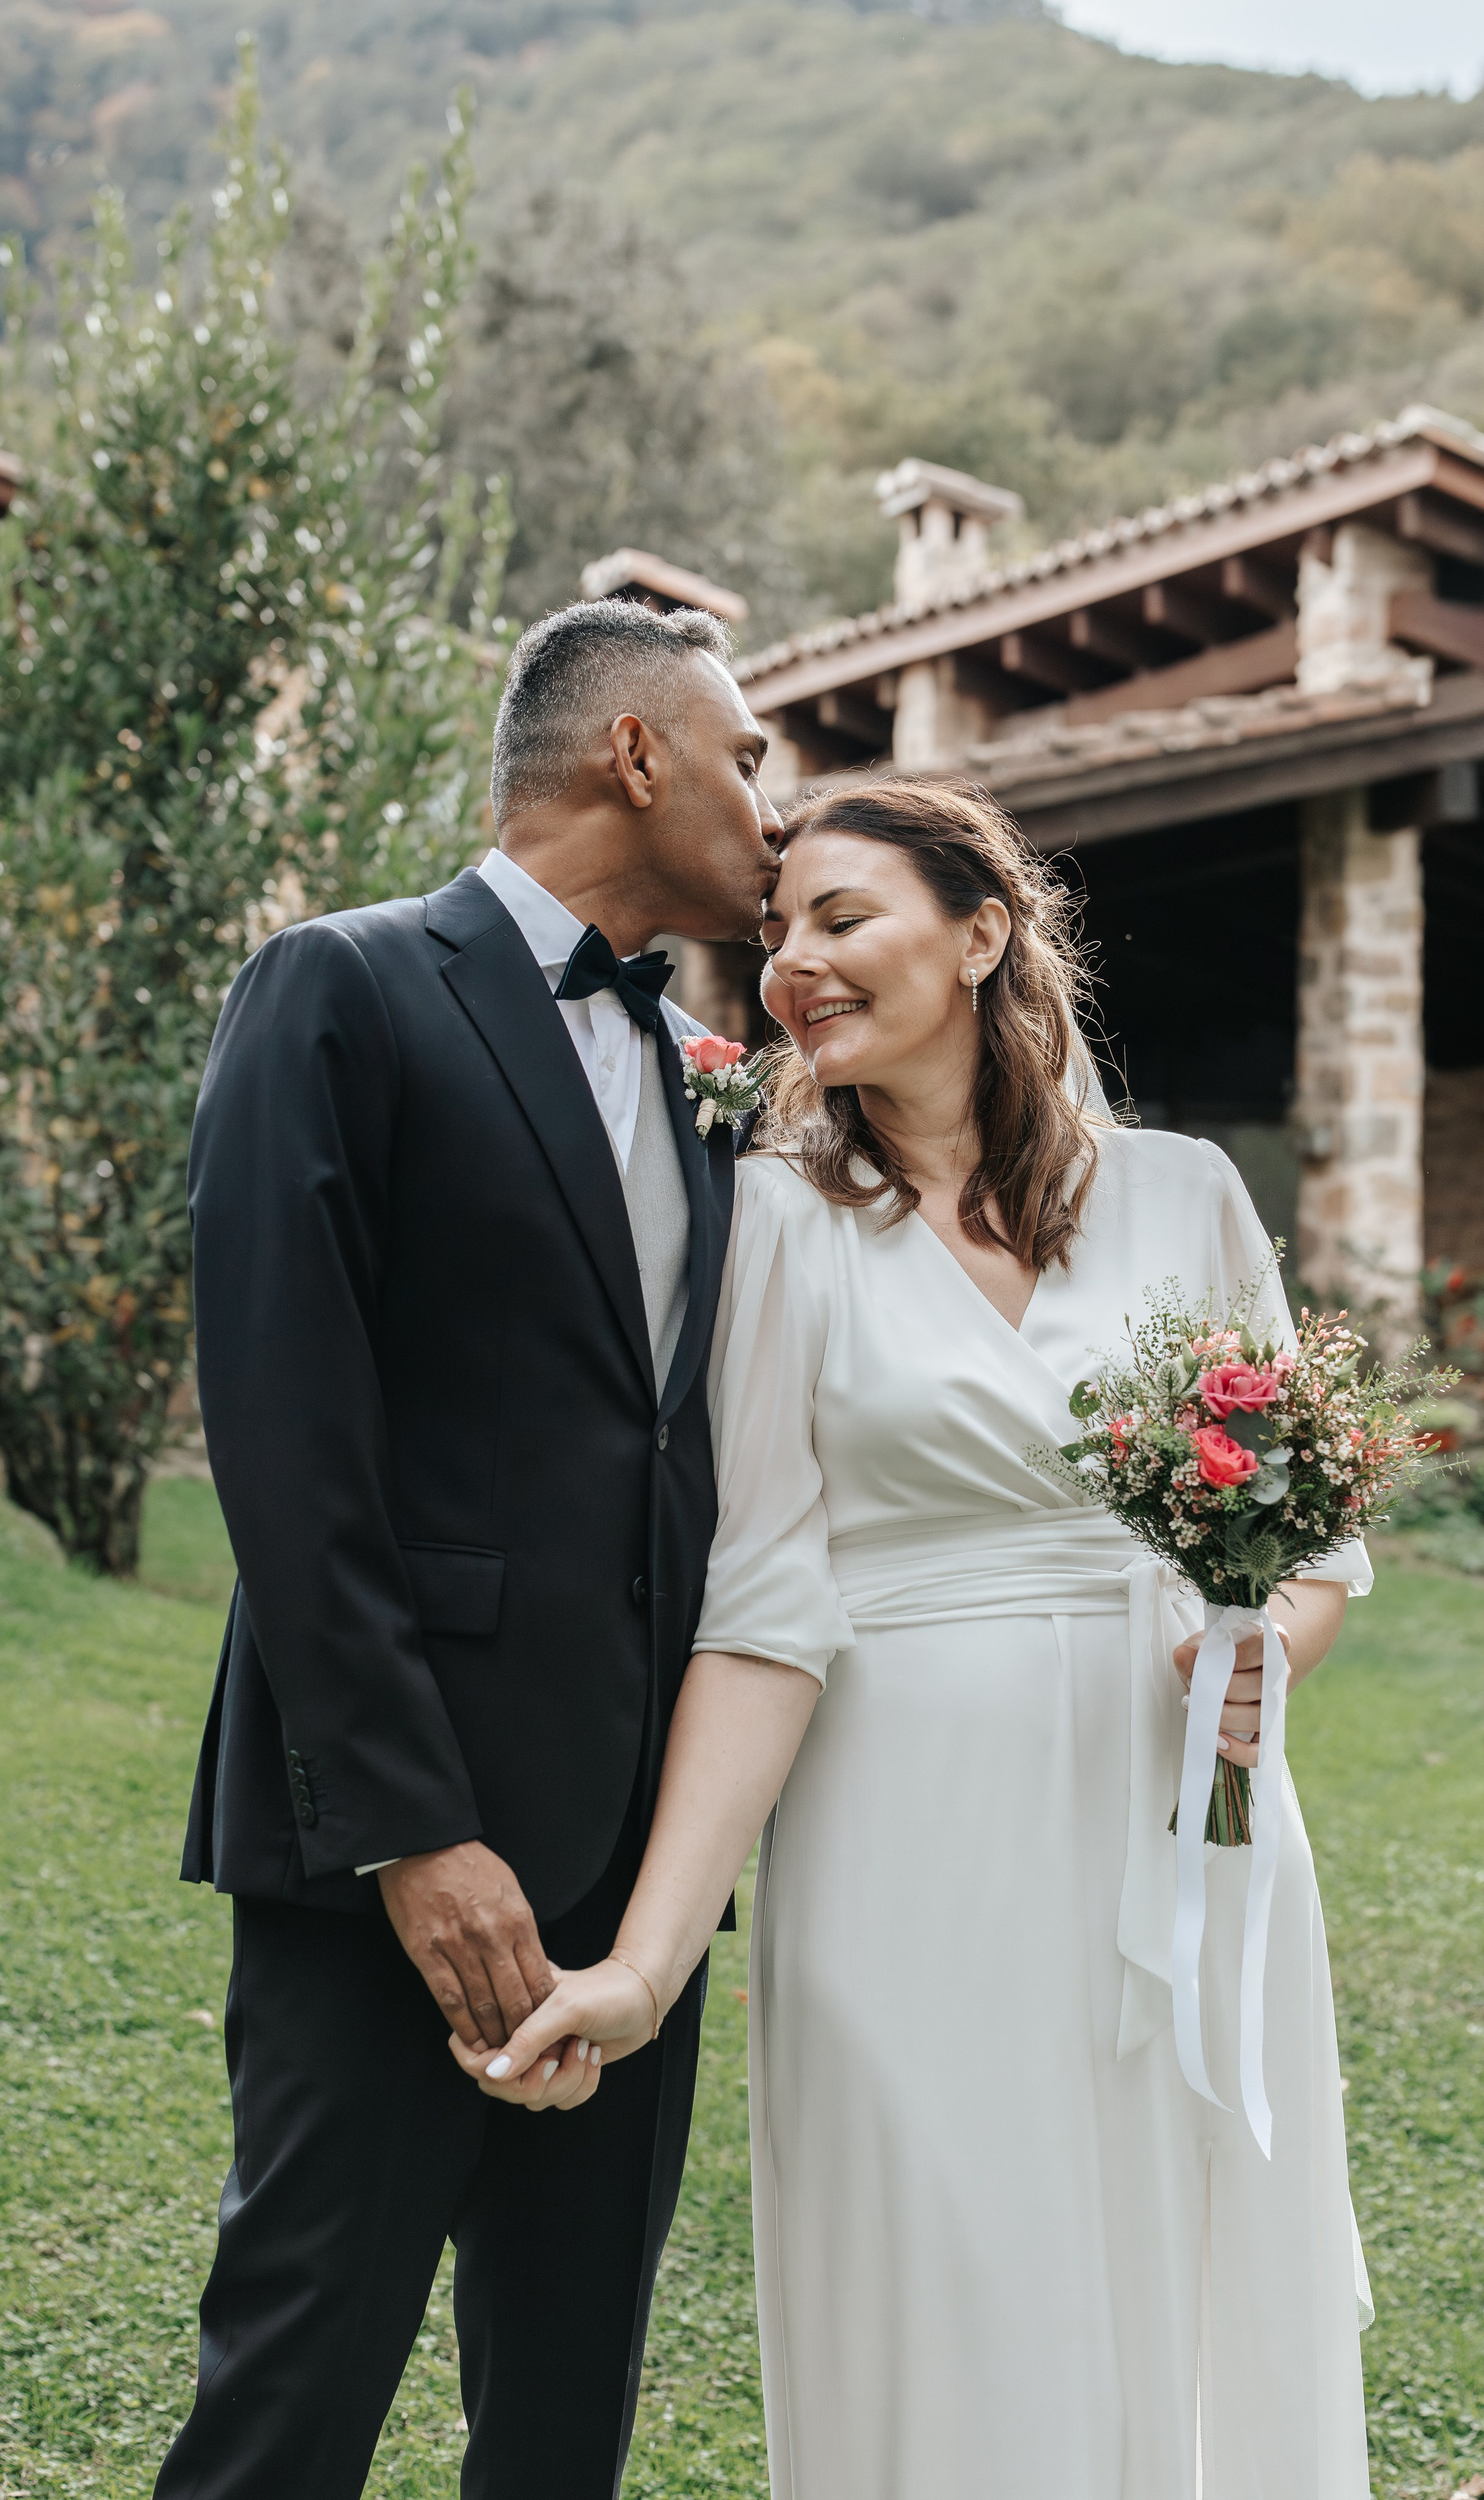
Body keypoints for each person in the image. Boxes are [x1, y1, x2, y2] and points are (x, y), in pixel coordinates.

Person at [465, 778, 1376, 2500]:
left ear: (980, 933)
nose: (793, 962)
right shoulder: (783, 1220)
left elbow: (1310, 1546)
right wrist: (650, 1962)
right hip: (902, 1843)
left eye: (840, 916)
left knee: (1176, 2274)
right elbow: (762, 1611)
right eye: (777, 928)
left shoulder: (1187, 1198)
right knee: (946, 2290)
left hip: (1175, 1831)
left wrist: (1268, 1651)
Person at [153, 599, 782, 2500]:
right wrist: (414, 1831)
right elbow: (287, 1442)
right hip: (395, 1857)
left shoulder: (708, 1073)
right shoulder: (337, 988)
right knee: (297, 2380)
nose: (779, 803)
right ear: (636, 754)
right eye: (748, 755)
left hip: (633, 1862)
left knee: (563, 2419)